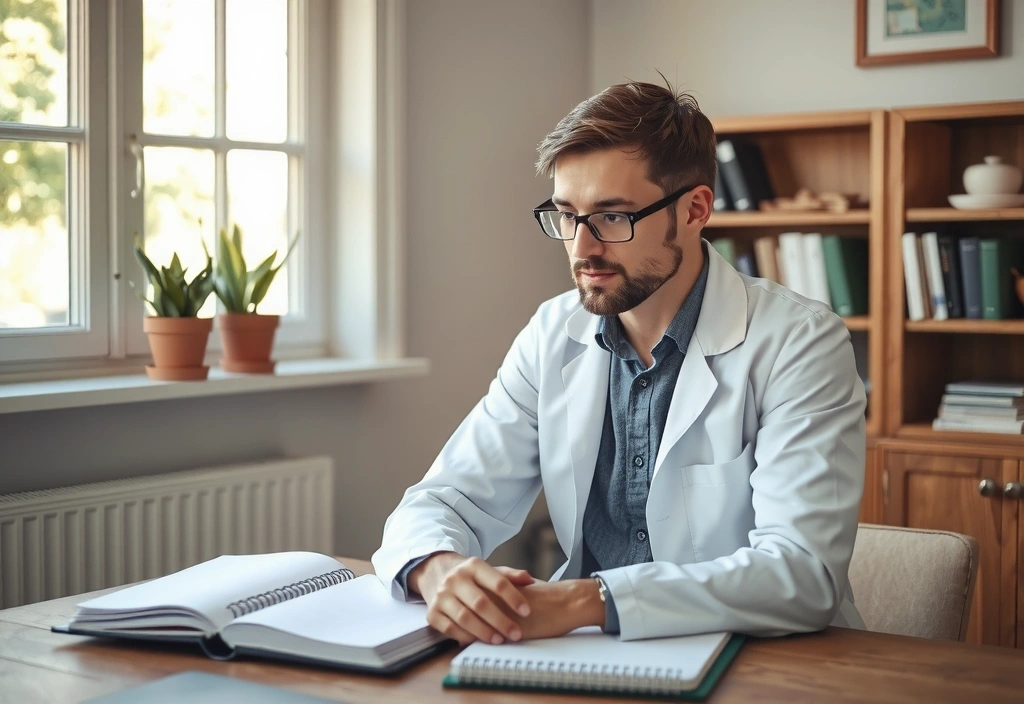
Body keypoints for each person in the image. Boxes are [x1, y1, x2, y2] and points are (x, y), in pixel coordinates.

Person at [372, 80, 866, 645]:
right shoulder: (551, 334)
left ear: (695, 209)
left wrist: (585, 599)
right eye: (565, 216)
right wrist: (439, 570)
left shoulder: (800, 342)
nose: (582, 248)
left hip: (759, 658)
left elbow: (801, 576)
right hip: (584, 651)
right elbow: (444, 500)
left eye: (611, 217)